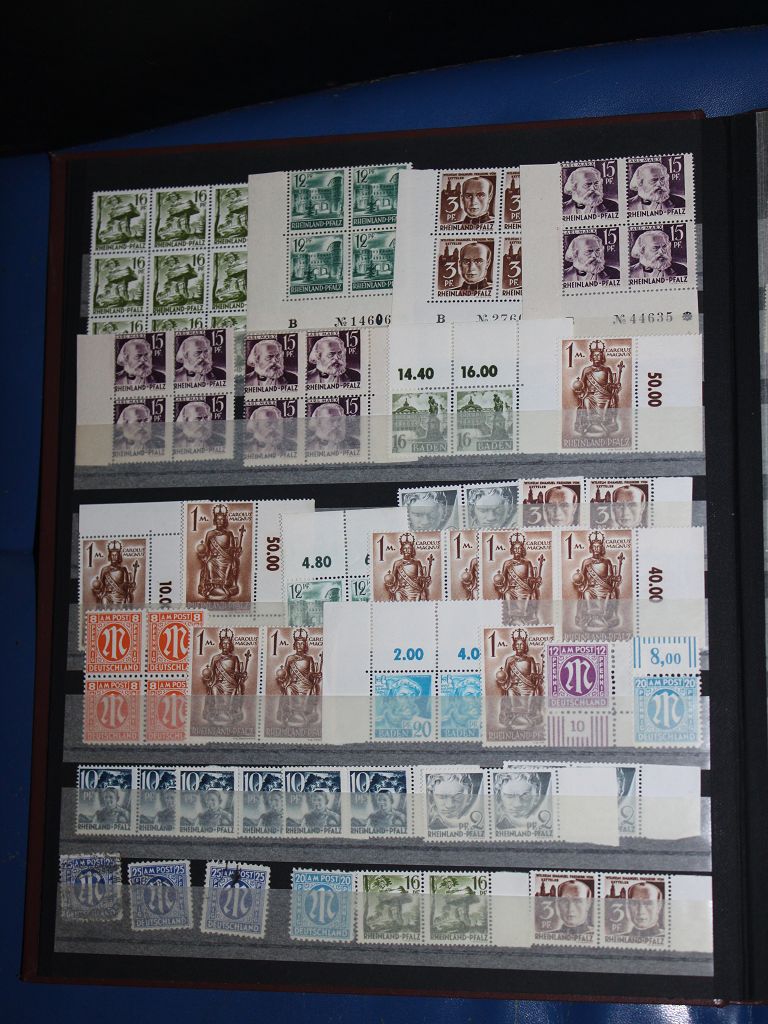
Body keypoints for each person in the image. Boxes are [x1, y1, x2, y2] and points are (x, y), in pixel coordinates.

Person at [572, 530, 623, 630]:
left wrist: (616, 578)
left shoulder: (607, 562)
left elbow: (611, 577)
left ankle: (602, 618)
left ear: (601, 548)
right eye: (594, 547)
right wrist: (579, 581)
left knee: (608, 594)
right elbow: (582, 577)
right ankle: (590, 618)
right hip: (591, 588)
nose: (596, 548)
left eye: (598, 547)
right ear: (591, 548)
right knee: (586, 593)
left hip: (604, 588)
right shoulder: (586, 562)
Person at [571, 339, 623, 438]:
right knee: (586, 400)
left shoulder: (607, 370)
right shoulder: (586, 370)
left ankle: (602, 424)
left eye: (599, 355)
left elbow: (610, 384)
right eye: (594, 355)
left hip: (604, 395)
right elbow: (582, 385)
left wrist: (614, 386)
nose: (597, 357)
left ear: (602, 357)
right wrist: (580, 390)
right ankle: (589, 424)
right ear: (591, 357)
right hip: (590, 395)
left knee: (608, 401)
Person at [494, 628, 544, 730]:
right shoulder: (509, 660)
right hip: (514, 687)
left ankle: (527, 717)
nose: (519, 646)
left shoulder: (530, 659)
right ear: (514, 646)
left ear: (525, 646)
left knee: (533, 692)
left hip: (528, 686)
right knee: (510, 691)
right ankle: (514, 717)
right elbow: (506, 675)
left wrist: (536, 676)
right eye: (517, 644)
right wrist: (506, 680)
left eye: (521, 644)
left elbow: (533, 674)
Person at [274, 627, 322, 729]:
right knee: (288, 688)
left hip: (306, 684)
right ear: (295, 645)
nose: (300, 645)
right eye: (298, 644)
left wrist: (315, 675)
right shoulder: (290, 658)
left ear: (305, 646)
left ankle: (303, 714)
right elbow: (286, 673)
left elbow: (311, 673)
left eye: (302, 644)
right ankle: (291, 713)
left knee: (310, 689)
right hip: (294, 684)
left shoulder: (309, 659)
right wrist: (282, 677)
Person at [492, 533, 545, 622]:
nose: (517, 550)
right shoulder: (507, 563)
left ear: (522, 550)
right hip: (511, 589)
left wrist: (536, 580)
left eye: (519, 548)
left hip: (524, 589)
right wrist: (499, 582)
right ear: (512, 550)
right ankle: (511, 617)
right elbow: (503, 578)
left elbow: (530, 578)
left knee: (528, 595)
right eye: (515, 548)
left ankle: (522, 618)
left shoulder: (527, 563)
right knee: (507, 594)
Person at [200, 626, 248, 725]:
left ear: (230, 646)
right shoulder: (215, 658)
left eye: (228, 643)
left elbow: (237, 673)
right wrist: (207, 677)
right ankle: (217, 712)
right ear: (221, 645)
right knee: (213, 688)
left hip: (231, 683)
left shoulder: (234, 658)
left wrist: (241, 674)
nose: (226, 645)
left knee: (235, 690)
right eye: (224, 643)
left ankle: (229, 712)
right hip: (218, 683)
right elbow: (211, 672)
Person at [195, 505, 244, 601]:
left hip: (226, 558)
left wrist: (236, 550)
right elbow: (206, 548)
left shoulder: (229, 534)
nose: (220, 521)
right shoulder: (210, 534)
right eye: (218, 519)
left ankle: (224, 587)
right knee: (209, 563)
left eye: (222, 520)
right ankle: (212, 587)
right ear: (215, 521)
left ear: (225, 521)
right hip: (213, 558)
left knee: (229, 563)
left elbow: (231, 548)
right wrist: (203, 553)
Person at [384, 532, 433, 601]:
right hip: (401, 590)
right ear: (402, 550)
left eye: (409, 548)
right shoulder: (397, 563)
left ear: (412, 550)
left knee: (418, 596)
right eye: (405, 548)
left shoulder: (417, 563)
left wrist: (425, 579)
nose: (407, 550)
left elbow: (420, 578)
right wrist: (389, 580)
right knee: (397, 594)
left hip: (415, 589)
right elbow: (393, 579)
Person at [90, 539, 138, 605]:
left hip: (120, 595)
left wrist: (130, 585)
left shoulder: (123, 569)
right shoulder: (104, 569)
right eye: (112, 555)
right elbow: (101, 585)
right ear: (110, 556)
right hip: (108, 595)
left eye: (116, 555)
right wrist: (97, 586)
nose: (114, 557)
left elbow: (126, 584)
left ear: (119, 557)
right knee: (104, 599)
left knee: (124, 601)